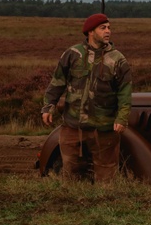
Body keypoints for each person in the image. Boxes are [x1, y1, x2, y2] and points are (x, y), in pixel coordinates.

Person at [41, 14, 132, 182]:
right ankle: (74, 205)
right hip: (73, 127)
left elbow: (125, 93)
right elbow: (57, 82)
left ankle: (105, 206)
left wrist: (122, 118)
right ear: (90, 31)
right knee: (71, 172)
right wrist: (48, 107)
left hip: (104, 129)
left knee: (106, 176)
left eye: (109, 28)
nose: (108, 32)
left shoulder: (118, 60)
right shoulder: (73, 54)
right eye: (103, 28)